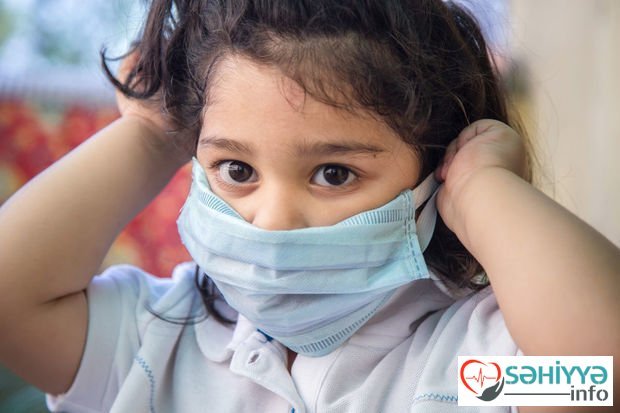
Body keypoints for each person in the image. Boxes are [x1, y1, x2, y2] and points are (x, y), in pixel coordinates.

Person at [0, 0, 618, 412]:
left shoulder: (467, 369)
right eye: (237, 170)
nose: (273, 221)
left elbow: (598, 376)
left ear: (434, 173)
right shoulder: (154, 344)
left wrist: (484, 190)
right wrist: (149, 133)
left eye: (333, 173)